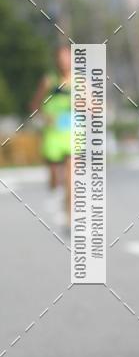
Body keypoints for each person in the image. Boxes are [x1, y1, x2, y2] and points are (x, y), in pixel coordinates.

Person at [31, 45, 72, 227]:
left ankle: (70, 217)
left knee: (71, 177)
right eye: (60, 58)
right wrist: (46, 117)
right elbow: (34, 106)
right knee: (55, 176)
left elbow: (94, 105)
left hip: (72, 133)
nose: (63, 61)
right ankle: (56, 188)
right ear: (56, 61)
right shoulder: (48, 81)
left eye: (66, 57)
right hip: (53, 134)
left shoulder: (79, 82)